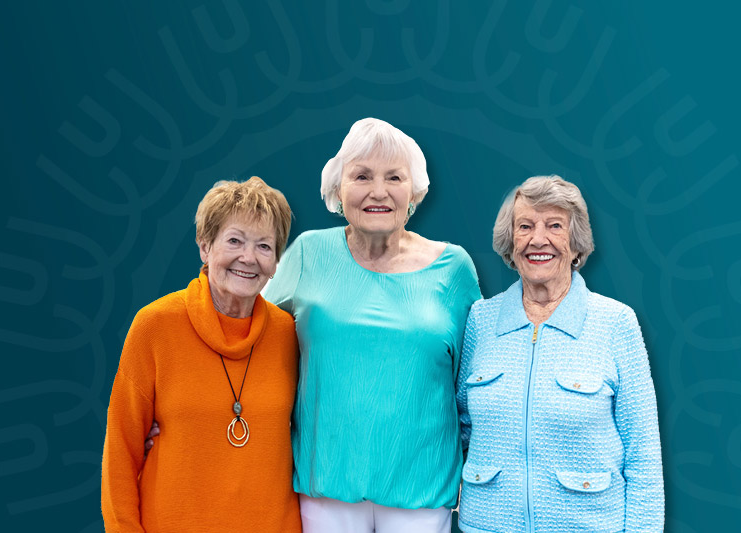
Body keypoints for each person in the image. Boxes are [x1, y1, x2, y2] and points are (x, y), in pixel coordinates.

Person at [263, 118, 481, 532]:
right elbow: (248, 333)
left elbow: (477, 379)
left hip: (423, 490)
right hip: (325, 485)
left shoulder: (455, 268)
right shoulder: (309, 251)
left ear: (413, 192)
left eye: (393, 177)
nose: (378, 191)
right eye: (362, 176)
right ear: (337, 190)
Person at [456, 176, 663, 532]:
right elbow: (460, 427)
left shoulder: (616, 323)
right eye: (525, 226)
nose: (538, 239)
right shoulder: (480, 319)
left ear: (576, 243)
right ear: (511, 242)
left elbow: (643, 456)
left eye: (554, 225)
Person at [101, 176, 301, 532]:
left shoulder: (290, 334)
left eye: (264, 246)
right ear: (205, 247)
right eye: (235, 241)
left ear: (276, 261)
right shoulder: (154, 326)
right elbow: (120, 454)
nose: (248, 258)